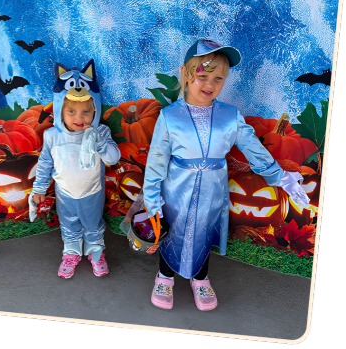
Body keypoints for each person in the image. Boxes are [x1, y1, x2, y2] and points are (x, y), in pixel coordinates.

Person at [142, 39, 311, 311]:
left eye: (218, 78)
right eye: (202, 76)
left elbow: (252, 146)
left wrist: (280, 176)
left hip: (212, 190)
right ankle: (165, 276)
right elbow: (156, 161)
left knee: (204, 231)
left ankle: (200, 277)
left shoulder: (230, 115)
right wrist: (152, 199)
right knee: (172, 228)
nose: (210, 84)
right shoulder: (170, 116)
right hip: (176, 189)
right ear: (185, 74)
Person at [28, 59, 120, 278]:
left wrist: (97, 140)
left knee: (93, 223)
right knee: (68, 224)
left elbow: (113, 158)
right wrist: (39, 189)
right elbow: (45, 163)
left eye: (86, 112)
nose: (79, 118)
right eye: (71, 111)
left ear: (95, 110)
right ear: (60, 109)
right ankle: (71, 252)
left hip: (92, 191)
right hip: (65, 193)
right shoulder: (52, 136)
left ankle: (96, 251)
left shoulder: (101, 132)